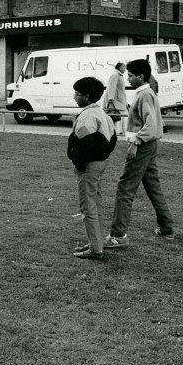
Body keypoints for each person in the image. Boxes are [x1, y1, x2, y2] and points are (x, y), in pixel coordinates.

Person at [105, 59, 174, 248]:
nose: (128, 78)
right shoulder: (146, 93)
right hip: (149, 145)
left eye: (131, 75)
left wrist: (135, 142)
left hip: (143, 145)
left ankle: (118, 235)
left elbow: (150, 125)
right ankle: (166, 227)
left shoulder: (144, 95)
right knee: (153, 187)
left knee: (125, 188)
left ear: (140, 76)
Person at [67, 77, 117, 260]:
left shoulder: (88, 116)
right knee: (95, 202)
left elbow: (81, 144)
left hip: (89, 166)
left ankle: (96, 249)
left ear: (86, 96)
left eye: (77, 94)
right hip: (99, 163)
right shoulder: (102, 113)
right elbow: (112, 139)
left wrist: (79, 164)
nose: (74, 97)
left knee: (88, 206)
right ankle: (96, 242)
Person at [104, 62, 127, 136]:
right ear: (119, 68)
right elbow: (111, 88)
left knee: (119, 116)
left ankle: (119, 131)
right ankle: (117, 131)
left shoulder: (118, 76)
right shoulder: (115, 76)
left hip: (119, 100)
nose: (125, 69)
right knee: (117, 116)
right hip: (117, 101)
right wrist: (110, 100)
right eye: (124, 67)